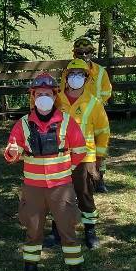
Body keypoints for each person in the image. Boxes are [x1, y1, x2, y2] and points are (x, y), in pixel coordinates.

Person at [4, 73, 89, 271]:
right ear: (33, 96)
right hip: (33, 189)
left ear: (54, 96)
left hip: (61, 188)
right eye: (39, 94)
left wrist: (65, 169)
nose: (43, 97)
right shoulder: (22, 124)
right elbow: (12, 152)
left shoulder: (68, 122)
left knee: (68, 232)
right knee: (32, 233)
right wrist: (13, 153)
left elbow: (80, 150)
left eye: (47, 94)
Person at [46, 58, 109, 250]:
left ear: (86, 78)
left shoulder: (93, 103)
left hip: (85, 157)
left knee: (84, 194)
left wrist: (99, 158)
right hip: (60, 156)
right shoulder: (56, 100)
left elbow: (103, 131)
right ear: (66, 77)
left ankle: (90, 232)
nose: (76, 78)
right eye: (72, 74)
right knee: (58, 195)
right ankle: (57, 232)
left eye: (80, 75)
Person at [65, 37, 112, 192]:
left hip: (96, 113)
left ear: (92, 53)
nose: (84, 56)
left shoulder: (100, 72)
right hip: (76, 115)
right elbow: (62, 94)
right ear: (74, 54)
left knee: (100, 145)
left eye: (87, 52)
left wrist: (96, 104)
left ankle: (100, 179)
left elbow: (107, 91)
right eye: (80, 53)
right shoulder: (69, 72)